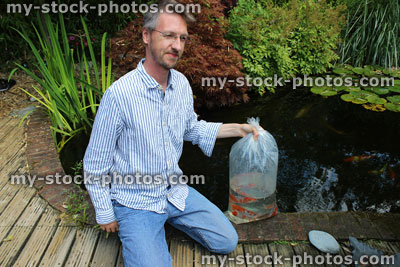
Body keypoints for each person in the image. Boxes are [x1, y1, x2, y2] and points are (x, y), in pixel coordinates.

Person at [83, 1, 261, 266]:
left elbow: (191, 128)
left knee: (226, 241)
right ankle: (146, 232)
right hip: (135, 202)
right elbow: (95, 163)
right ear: (146, 35)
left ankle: (167, 222)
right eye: (168, 35)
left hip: (175, 192)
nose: (177, 45)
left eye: (182, 38)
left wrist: (239, 129)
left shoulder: (181, 84)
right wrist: (105, 212)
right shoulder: (119, 96)